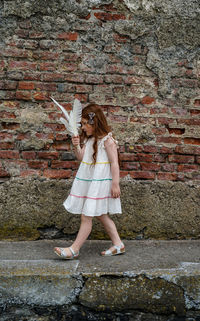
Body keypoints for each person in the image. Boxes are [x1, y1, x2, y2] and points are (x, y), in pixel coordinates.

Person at [54, 104, 125, 259]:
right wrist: (76, 146)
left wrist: (115, 184)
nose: (83, 127)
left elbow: (114, 163)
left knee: (86, 216)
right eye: (82, 124)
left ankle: (74, 249)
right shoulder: (90, 140)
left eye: (86, 123)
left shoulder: (108, 141)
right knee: (101, 215)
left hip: (100, 184)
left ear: (95, 123)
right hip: (90, 182)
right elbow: (81, 158)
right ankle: (118, 244)